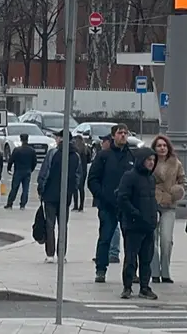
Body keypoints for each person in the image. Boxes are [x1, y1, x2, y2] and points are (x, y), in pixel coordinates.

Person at [88, 124, 135, 283]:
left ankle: (131, 272)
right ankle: (101, 269)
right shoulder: (104, 156)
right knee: (105, 237)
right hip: (108, 205)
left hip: (127, 206)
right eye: (120, 133)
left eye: (125, 133)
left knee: (131, 241)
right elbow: (92, 179)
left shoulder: (131, 156)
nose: (123, 135)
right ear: (113, 136)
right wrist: (102, 196)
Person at [116, 147, 159, 300]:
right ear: (141, 160)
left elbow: (152, 199)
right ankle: (127, 287)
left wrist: (155, 215)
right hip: (134, 225)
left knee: (147, 258)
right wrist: (135, 214)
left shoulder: (151, 178)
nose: (151, 163)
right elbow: (122, 199)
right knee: (131, 258)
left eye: (153, 161)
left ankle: (144, 287)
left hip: (148, 225)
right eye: (148, 160)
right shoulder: (130, 176)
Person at [35, 130, 79, 262]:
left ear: (61, 139)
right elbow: (78, 176)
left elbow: (44, 173)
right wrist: (71, 190)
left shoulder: (52, 153)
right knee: (63, 225)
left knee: (50, 224)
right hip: (65, 196)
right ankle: (62, 254)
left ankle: (50, 254)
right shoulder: (75, 155)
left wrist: (41, 189)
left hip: (50, 195)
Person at [150, 135, 187, 284]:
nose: (162, 148)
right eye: (159, 145)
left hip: (169, 206)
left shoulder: (176, 163)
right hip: (152, 204)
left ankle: (165, 271)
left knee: (166, 240)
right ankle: (154, 272)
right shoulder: (150, 162)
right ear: (154, 148)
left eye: (164, 145)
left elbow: (184, 182)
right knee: (152, 240)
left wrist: (177, 191)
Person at [5, 133, 37, 210]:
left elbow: (11, 160)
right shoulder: (32, 151)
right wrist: (31, 169)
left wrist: (9, 169)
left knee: (14, 188)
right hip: (27, 171)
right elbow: (34, 162)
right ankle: (22, 205)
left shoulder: (17, 150)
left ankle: (10, 203)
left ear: (21, 139)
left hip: (18, 171)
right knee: (25, 189)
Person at [73, 134, 90, 211]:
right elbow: (89, 160)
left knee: (75, 188)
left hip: (76, 169)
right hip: (84, 170)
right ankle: (81, 206)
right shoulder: (86, 149)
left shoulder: (75, 149)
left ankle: (76, 205)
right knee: (81, 188)